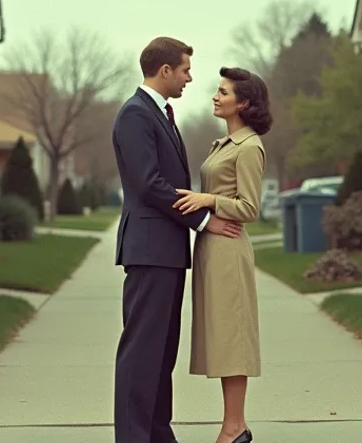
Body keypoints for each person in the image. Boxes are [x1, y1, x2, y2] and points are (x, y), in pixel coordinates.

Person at [111, 36, 245, 443]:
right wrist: (206, 220)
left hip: (166, 252)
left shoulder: (161, 114)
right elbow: (150, 184)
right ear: (165, 70)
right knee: (141, 353)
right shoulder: (135, 115)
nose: (190, 78)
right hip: (149, 250)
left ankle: (157, 434)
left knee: (161, 353)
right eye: (185, 69)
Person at [172, 66, 272, 443]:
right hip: (212, 250)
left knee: (232, 338)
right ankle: (233, 425)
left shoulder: (249, 147)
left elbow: (249, 208)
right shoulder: (224, 145)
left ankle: (235, 427)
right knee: (220, 337)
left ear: (243, 103)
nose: (215, 96)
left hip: (229, 251)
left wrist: (207, 199)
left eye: (223, 92)